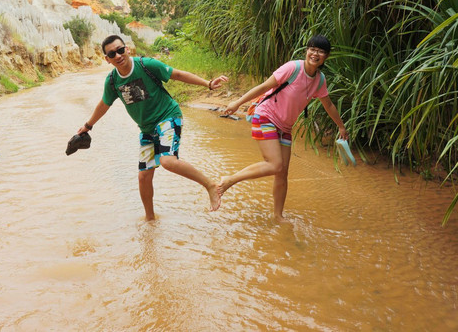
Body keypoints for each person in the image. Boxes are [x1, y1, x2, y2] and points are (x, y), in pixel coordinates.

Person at [78, 35, 229, 221]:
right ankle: (150, 220)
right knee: (143, 177)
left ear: (127, 49)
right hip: (147, 129)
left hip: (168, 116)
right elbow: (104, 104)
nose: (118, 55)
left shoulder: (145, 65)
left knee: (168, 161)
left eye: (120, 49)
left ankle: (210, 185)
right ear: (107, 59)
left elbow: (177, 74)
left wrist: (207, 84)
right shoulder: (112, 82)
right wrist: (87, 126)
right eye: (112, 53)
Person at [219, 35, 349, 222]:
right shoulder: (293, 68)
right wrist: (237, 102)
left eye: (320, 51)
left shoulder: (320, 80)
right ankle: (229, 180)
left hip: (285, 126)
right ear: (307, 50)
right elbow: (264, 86)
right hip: (266, 116)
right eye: (312, 49)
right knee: (274, 164)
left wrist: (342, 127)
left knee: (282, 172)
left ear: (326, 57)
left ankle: (278, 216)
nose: (315, 53)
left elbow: (328, 105)